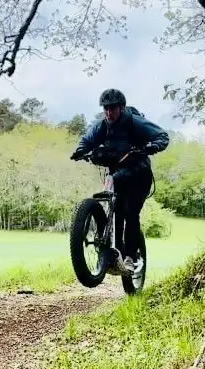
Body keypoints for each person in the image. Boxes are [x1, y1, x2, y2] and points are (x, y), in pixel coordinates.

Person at [70, 88, 169, 272]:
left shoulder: (134, 122)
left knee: (130, 213)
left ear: (121, 108)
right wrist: (81, 150)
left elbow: (162, 136)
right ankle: (114, 255)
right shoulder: (102, 126)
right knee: (117, 213)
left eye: (112, 108)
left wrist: (153, 146)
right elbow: (87, 140)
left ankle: (130, 257)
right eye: (105, 108)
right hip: (118, 176)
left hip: (139, 175)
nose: (109, 112)